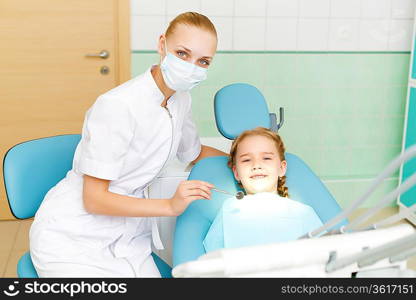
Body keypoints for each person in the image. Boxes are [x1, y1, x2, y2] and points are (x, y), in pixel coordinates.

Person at [29, 12, 227, 278]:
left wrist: (249, 159)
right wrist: (170, 206)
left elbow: (194, 153)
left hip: (128, 238)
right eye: (182, 54)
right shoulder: (118, 105)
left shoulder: (180, 100)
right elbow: (94, 199)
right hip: (73, 238)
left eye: (203, 61)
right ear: (161, 45)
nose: (191, 66)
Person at [203, 127, 323, 252]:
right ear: (236, 173)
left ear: (282, 168)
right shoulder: (229, 208)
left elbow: (324, 255)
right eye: (246, 160)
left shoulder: (302, 212)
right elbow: (212, 256)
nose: (256, 165)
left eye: (266, 158)